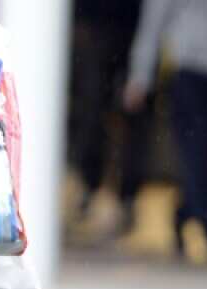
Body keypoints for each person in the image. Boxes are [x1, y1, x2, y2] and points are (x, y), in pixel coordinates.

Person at [125, 0, 207, 262]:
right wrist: (140, 76)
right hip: (191, 74)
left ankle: (186, 212)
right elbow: (154, 21)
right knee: (200, 151)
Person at [67, 0, 152, 238]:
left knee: (128, 117)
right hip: (98, 31)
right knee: (92, 116)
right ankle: (89, 186)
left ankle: (123, 195)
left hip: (124, 31)